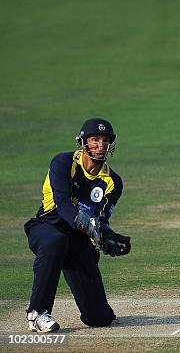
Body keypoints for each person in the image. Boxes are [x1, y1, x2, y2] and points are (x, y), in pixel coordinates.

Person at [24, 118, 131, 332]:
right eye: (95, 139)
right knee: (56, 242)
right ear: (83, 142)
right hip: (47, 227)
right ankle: (37, 313)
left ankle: (98, 309)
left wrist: (106, 237)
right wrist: (93, 227)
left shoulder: (113, 182)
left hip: (78, 239)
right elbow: (63, 206)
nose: (100, 145)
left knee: (99, 318)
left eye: (105, 140)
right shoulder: (63, 163)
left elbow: (101, 219)